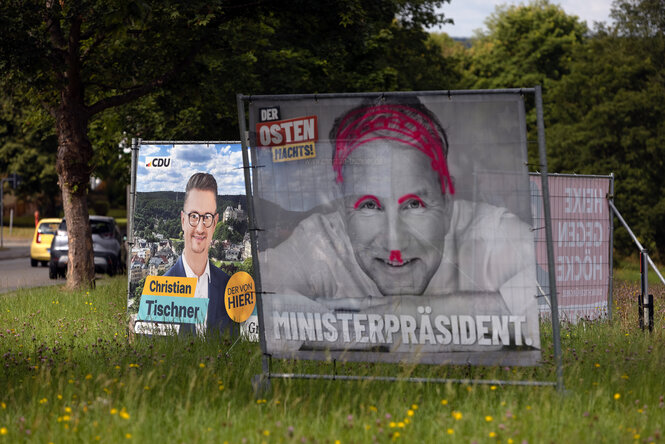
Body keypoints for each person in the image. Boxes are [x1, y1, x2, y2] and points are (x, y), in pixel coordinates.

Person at [259, 98, 540, 354]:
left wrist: (417, 311)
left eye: (414, 204)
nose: (395, 244)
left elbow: (551, 297)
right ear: (342, 205)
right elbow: (256, 306)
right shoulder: (320, 241)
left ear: (446, 199)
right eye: (369, 206)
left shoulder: (487, 232)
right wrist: (398, 327)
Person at [164, 172, 233, 337]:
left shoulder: (229, 288)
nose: (200, 228)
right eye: (194, 216)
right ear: (182, 220)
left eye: (207, 217)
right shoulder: (161, 291)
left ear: (215, 223)